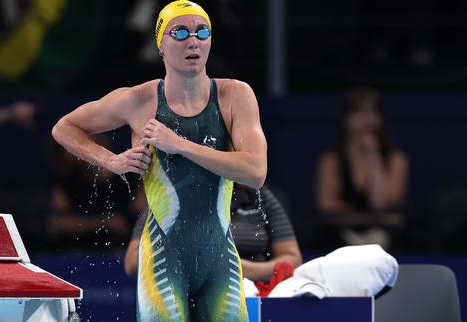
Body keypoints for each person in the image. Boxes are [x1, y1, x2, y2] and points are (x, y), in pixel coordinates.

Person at [51, 1, 267, 322]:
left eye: (202, 32)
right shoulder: (138, 100)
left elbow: (255, 171)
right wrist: (112, 161)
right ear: (161, 44)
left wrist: (178, 144)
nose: (193, 41)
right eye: (180, 32)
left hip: (220, 261)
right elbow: (64, 128)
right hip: (164, 261)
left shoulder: (235, 96)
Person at [125, 184, 303, 281]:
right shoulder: (171, 195)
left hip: (253, 294)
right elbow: (133, 262)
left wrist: (241, 269)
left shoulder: (258, 194)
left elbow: (292, 260)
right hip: (189, 296)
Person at [316, 87, 409, 249]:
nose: (366, 120)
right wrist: (371, 218)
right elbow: (327, 206)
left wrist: (373, 157)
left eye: (373, 112)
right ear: (345, 119)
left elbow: (381, 204)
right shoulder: (332, 159)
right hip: (341, 232)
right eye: (359, 113)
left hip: (384, 234)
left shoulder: (395, 159)